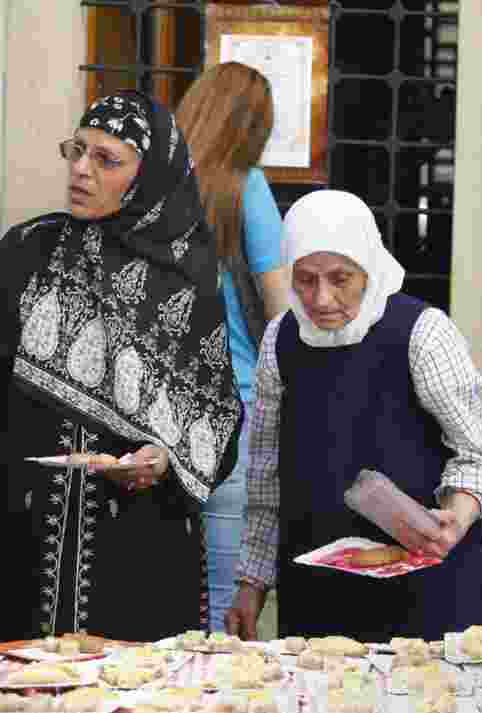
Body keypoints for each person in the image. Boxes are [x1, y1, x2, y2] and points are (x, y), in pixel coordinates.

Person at [0, 90, 244, 643]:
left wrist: (162, 461)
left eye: (107, 160)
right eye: (78, 150)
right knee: (25, 710)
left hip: (140, 549)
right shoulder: (28, 252)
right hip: (31, 544)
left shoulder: (187, 279)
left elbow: (213, 425)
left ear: (150, 174)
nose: (81, 170)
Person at [225, 189, 482, 642]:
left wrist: (454, 517)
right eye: (305, 279)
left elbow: (481, 457)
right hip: (319, 594)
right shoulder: (281, 341)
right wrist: (250, 585)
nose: (321, 298)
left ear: (368, 269)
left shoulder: (422, 334)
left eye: (341, 279)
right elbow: (266, 482)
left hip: (427, 592)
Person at [175, 61, 289, 632]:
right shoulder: (248, 188)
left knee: (160, 593)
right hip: (235, 413)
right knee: (226, 599)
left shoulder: (151, 189)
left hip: (157, 420)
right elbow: (282, 312)